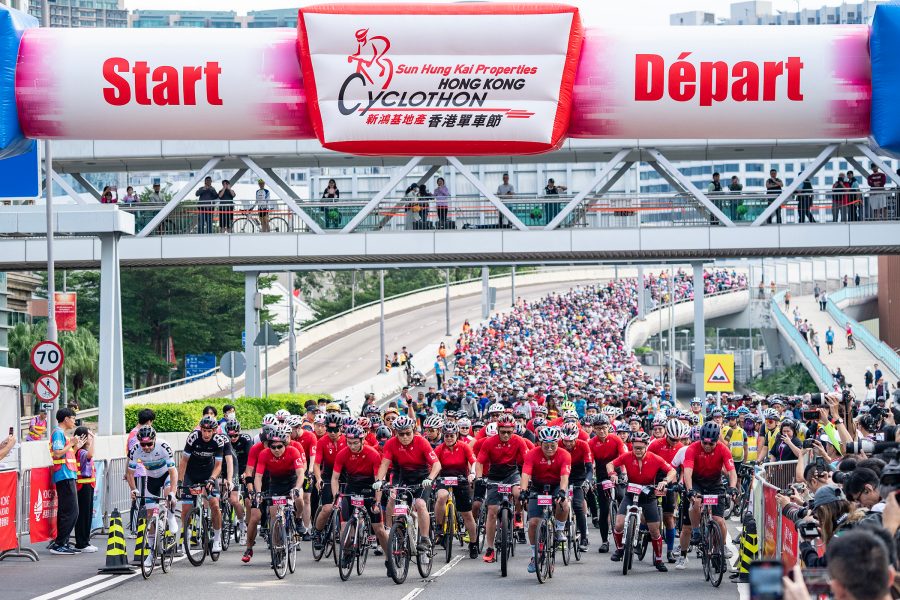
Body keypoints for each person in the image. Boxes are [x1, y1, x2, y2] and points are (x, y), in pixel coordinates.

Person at [607, 431, 677, 572]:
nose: (637, 451)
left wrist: (664, 481)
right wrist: (612, 474)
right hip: (631, 494)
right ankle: (620, 549)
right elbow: (610, 464)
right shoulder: (627, 456)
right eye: (635, 447)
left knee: (654, 531)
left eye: (640, 448)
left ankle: (658, 560)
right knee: (619, 524)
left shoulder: (655, 458)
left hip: (648, 496)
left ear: (646, 446)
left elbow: (672, 471)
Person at [374, 416, 441, 556]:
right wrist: (379, 480)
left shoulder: (421, 442)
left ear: (413, 430)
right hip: (403, 475)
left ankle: (424, 538)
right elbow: (384, 464)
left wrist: (430, 478)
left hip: (422, 477)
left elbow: (436, 464)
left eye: (408, 433)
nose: (405, 437)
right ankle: (395, 533)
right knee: (394, 501)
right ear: (395, 433)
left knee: (420, 504)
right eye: (401, 434)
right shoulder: (391, 443)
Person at [678, 422, 738, 570]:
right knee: (696, 501)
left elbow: (732, 471)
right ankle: (696, 531)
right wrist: (690, 490)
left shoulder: (723, 449)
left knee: (719, 520)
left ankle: (722, 546)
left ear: (717, 440)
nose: (707, 446)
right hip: (696, 482)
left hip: (714, 483)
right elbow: (687, 472)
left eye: (711, 444)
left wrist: (732, 487)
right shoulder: (692, 448)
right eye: (704, 443)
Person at [521, 426, 572, 574]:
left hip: (556, 486)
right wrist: (523, 491)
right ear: (539, 443)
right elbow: (525, 473)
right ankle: (534, 555)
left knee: (564, 504)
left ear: (558, 443)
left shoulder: (564, 454)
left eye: (553, 445)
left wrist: (562, 491)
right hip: (537, 487)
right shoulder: (532, 454)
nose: (550, 448)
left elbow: (564, 476)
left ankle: (559, 529)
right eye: (546, 445)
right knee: (533, 522)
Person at [178, 415, 226, 552]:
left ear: (214, 431)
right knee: (186, 508)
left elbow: (218, 465)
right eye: (204, 430)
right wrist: (180, 482)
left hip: (208, 473)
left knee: (215, 505)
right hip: (191, 473)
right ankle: (186, 533)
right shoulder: (193, 437)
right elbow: (184, 461)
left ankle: (217, 538)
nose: (206, 434)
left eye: (209, 431)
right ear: (201, 429)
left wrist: (212, 479)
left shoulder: (218, 441)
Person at [49, 407, 80, 555]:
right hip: (64, 475)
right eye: (73, 418)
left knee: (67, 511)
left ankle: (63, 542)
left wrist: (75, 446)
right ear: (66, 419)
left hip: (67, 475)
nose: (74, 421)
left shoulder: (62, 434)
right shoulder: (58, 433)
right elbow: (57, 453)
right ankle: (59, 544)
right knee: (71, 511)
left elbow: (66, 454)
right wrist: (71, 444)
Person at [72, 426, 96, 552]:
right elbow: (90, 455)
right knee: (83, 515)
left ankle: (85, 541)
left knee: (86, 515)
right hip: (83, 487)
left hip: (87, 486)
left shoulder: (80, 451)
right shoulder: (81, 452)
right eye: (89, 435)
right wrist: (94, 440)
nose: (91, 437)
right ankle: (82, 543)